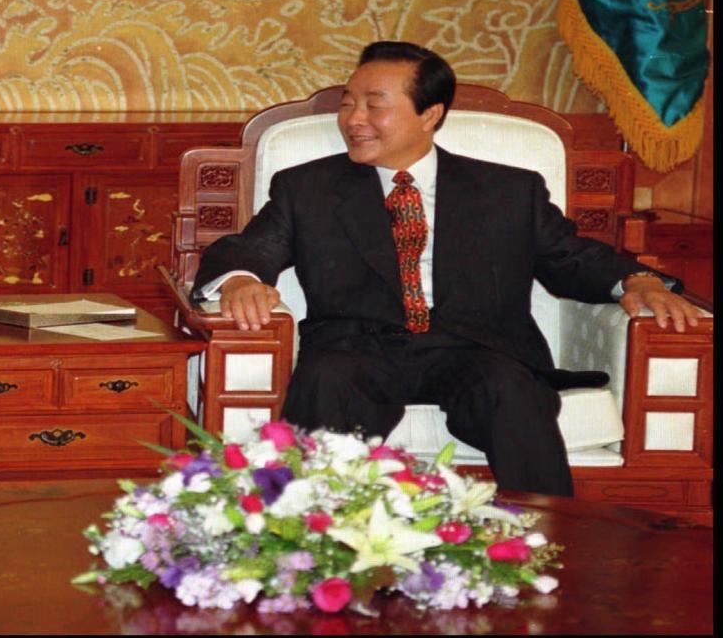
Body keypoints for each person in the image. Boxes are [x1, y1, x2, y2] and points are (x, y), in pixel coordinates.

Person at [192, 41, 700, 497]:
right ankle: (301, 539)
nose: (353, 118)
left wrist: (636, 280)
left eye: (374, 104)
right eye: (348, 102)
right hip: (355, 350)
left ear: (430, 113)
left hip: (476, 347)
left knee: (512, 391)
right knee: (326, 381)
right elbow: (251, 247)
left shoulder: (507, 191)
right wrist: (240, 280)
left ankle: (543, 544)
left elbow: (568, 257)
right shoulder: (308, 187)